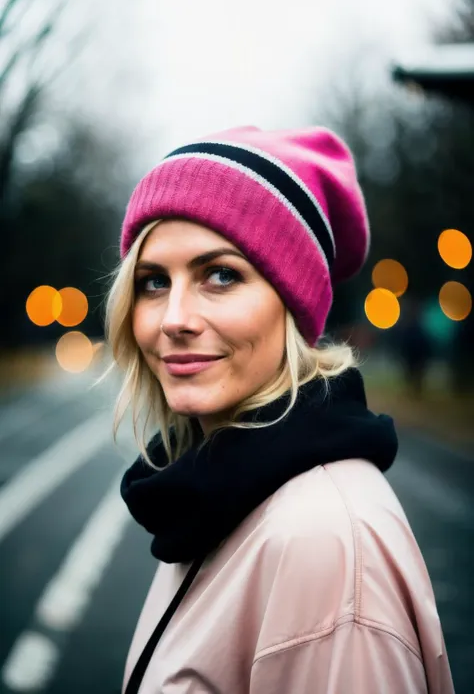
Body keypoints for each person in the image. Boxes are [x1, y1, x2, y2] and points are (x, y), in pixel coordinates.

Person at [105, 126, 454, 693]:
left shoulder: (322, 542)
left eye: (220, 275)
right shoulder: (209, 494)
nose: (173, 318)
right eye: (152, 281)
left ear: (294, 307)